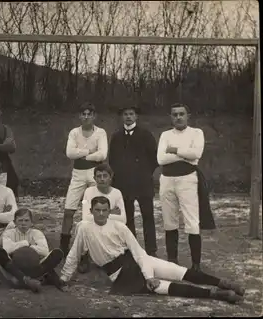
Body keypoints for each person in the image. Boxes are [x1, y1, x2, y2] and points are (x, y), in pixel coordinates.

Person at [59, 196, 244, 304]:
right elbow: (74, 254)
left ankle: (223, 283)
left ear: (109, 211)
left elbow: (139, 253)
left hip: (138, 260)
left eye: (104, 210)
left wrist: (148, 275)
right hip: (121, 273)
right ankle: (217, 295)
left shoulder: (119, 227)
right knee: (162, 288)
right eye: (97, 210)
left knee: (179, 271)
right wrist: (63, 278)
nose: (101, 214)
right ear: (91, 211)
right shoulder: (83, 227)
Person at [157, 103, 215, 271]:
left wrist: (174, 150)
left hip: (187, 179)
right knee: (169, 221)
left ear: (188, 115)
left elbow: (195, 155)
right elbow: (161, 159)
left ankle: (196, 265)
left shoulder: (196, 133)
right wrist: (184, 154)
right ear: (171, 117)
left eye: (181, 114)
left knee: (191, 221)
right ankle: (172, 262)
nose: (178, 117)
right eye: (174, 114)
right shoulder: (165, 134)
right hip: (167, 179)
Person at [59, 102, 108, 257]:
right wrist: (89, 151)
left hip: (95, 173)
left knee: (90, 212)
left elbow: (102, 155)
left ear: (94, 116)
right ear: (80, 116)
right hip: (78, 173)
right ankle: (63, 248)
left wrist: (82, 153)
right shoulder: (74, 132)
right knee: (69, 210)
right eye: (83, 114)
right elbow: (69, 153)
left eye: (89, 114)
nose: (86, 117)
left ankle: (88, 251)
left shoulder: (100, 132)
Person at [109, 105, 158, 257]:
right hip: (124, 183)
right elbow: (112, 160)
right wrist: (122, 173)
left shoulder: (146, 134)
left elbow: (154, 158)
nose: (128, 117)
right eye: (125, 114)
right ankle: (132, 249)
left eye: (131, 114)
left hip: (143, 182)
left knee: (148, 216)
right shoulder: (116, 136)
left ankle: (151, 251)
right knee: (127, 217)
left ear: (136, 116)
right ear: (122, 117)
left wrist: (144, 173)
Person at [0, 208, 64, 293]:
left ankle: (23, 281)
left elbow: (45, 251)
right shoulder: (9, 233)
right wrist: (25, 243)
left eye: (26, 220)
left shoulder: (37, 233)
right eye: (20, 220)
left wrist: (29, 247)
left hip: (34, 267)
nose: (23, 223)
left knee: (57, 253)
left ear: (31, 222)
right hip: (15, 268)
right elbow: (7, 249)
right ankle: (27, 280)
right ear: (15, 222)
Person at [77, 163, 126, 273]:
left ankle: (108, 258)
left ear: (110, 177)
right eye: (99, 176)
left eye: (105, 176)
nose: (102, 179)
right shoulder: (88, 192)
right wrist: (110, 212)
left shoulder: (117, 193)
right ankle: (83, 256)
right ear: (94, 178)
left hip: (110, 228)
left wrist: (100, 214)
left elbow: (123, 219)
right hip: (94, 227)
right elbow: (85, 217)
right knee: (82, 225)